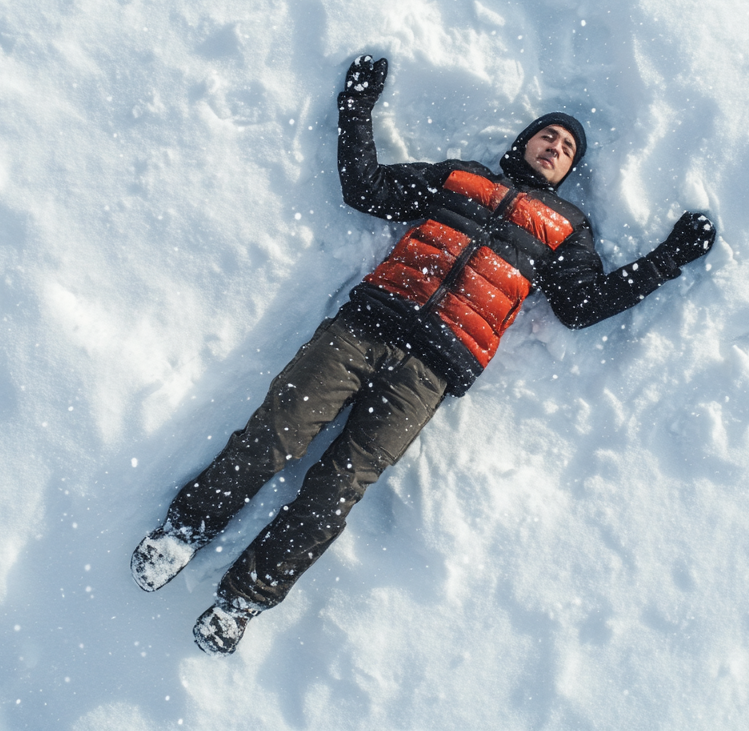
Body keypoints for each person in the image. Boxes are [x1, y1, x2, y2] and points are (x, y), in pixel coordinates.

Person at [132, 55, 716, 656]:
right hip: (364, 329)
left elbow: (582, 305)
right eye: (549, 133)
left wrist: (666, 259)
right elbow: (368, 189)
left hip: (431, 371)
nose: (555, 145)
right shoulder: (462, 179)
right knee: (276, 434)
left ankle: (245, 600)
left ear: (569, 170)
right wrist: (356, 109)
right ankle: (184, 531)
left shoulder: (566, 229)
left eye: (567, 146)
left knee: (339, 486)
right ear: (524, 141)